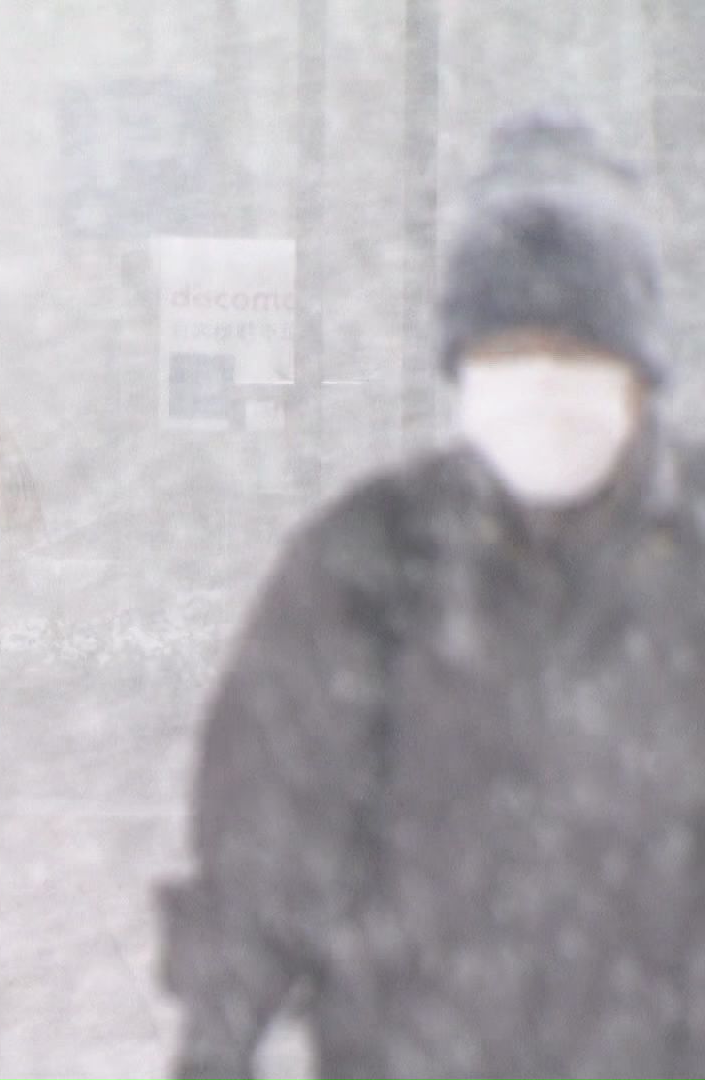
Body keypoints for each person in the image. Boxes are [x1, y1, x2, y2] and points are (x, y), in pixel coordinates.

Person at [160, 110, 705, 1079]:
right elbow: (265, 847)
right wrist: (215, 1041)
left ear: (638, 372)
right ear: (462, 372)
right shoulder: (370, 562)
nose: (541, 383)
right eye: (506, 352)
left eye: (575, 350)